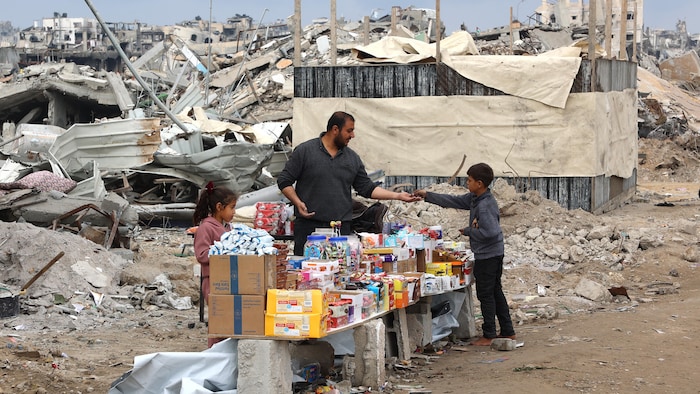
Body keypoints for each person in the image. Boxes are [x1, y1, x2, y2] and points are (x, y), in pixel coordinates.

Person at [277, 111, 421, 256]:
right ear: (335, 130)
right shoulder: (305, 151)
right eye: (349, 131)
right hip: (309, 229)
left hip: (340, 230)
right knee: (307, 273)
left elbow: (366, 188)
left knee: (341, 274)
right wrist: (298, 202)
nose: (353, 135)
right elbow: (284, 181)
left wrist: (398, 196)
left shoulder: (352, 158)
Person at [413, 163, 515, 346]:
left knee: (486, 294)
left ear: (480, 183)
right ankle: (507, 330)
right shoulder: (476, 198)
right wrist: (427, 196)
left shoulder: (484, 206)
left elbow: (491, 232)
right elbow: (453, 201)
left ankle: (489, 334)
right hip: (493, 254)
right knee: (495, 292)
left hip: (488, 256)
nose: (467, 183)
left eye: (469, 180)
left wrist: (469, 231)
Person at [192, 181, 238, 348]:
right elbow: (202, 255)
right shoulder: (206, 228)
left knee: (228, 319)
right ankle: (215, 353)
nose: (234, 212)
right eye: (232, 207)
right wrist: (223, 252)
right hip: (212, 281)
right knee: (218, 320)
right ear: (220, 207)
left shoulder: (227, 227)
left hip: (228, 280)